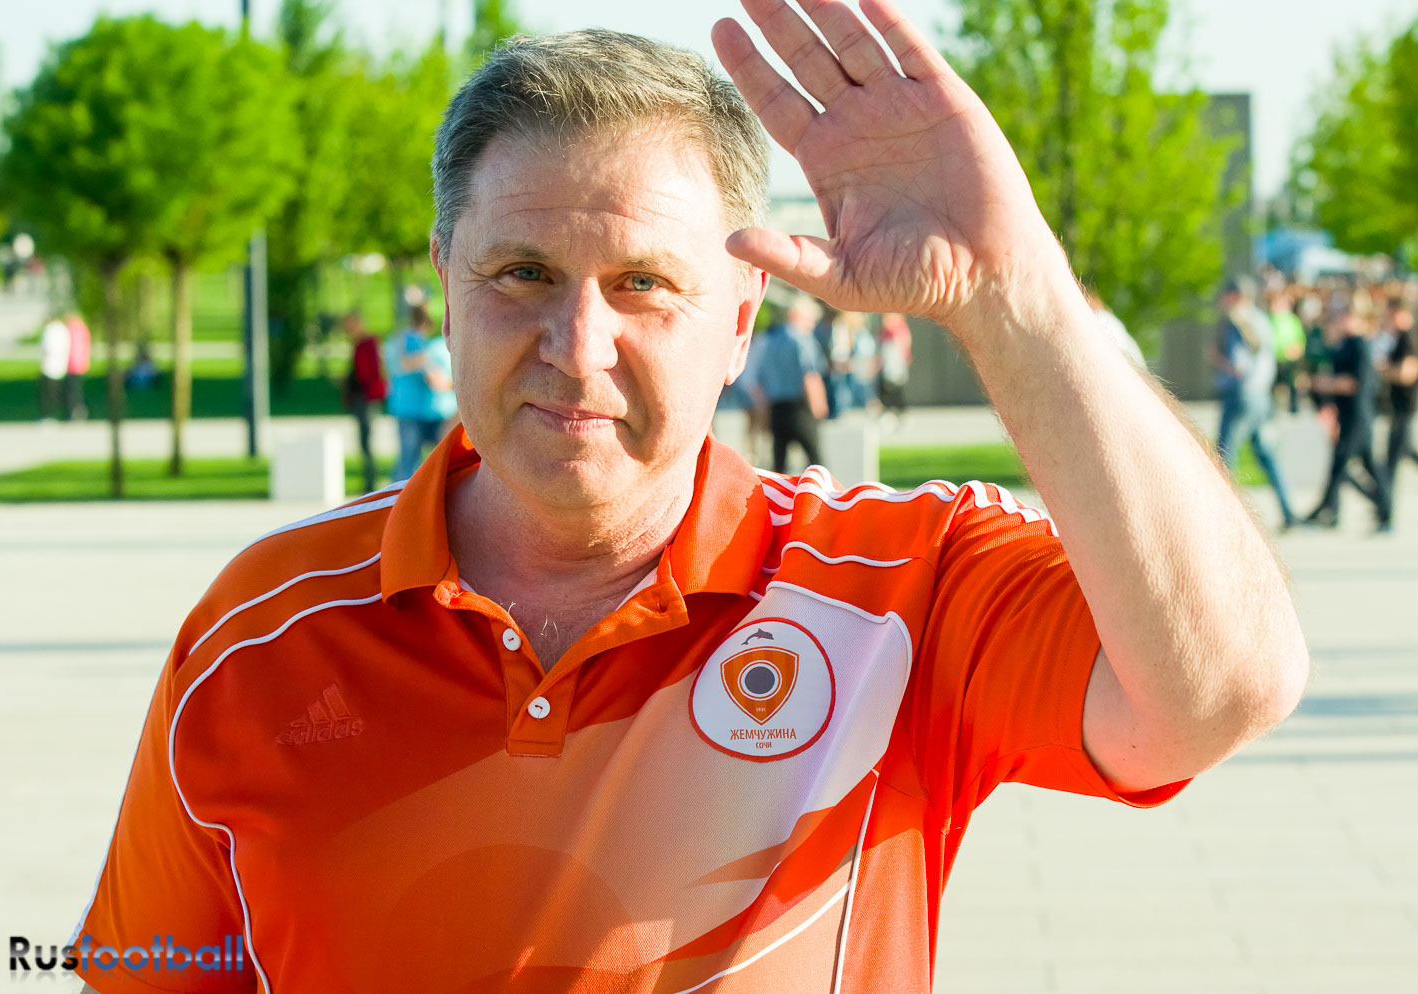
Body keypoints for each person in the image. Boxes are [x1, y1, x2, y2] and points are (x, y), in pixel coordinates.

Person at [70, 7, 1306, 993]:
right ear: (445, 281)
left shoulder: (897, 589)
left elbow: (1222, 686)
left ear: (742, 320)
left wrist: (1015, 292)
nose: (577, 344)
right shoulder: (259, 629)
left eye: (644, 283)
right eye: (522, 272)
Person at [1211, 278, 1297, 529]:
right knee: (1265, 456)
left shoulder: (1239, 322)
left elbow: (1240, 365)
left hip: (1242, 395)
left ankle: (1223, 519)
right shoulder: (1261, 319)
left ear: (1235, 296)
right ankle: (1288, 512)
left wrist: (1216, 358)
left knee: (1224, 458)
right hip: (1260, 395)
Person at [1304, 290, 1392, 531]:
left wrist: (1325, 383)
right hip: (1347, 414)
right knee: (1366, 464)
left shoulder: (1360, 345)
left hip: (1359, 415)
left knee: (1342, 464)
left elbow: (1356, 383)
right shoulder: (1344, 344)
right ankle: (1382, 509)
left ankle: (1327, 509)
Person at [750, 294, 827, 472]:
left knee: (779, 464)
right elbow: (810, 376)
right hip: (800, 406)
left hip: (777, 407)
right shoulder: (803, 339)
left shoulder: (771, 340)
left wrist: (764, 410)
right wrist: (818, 406)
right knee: (816, 460)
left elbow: (760, 379)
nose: (812, 324)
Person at [384, 302, 457, 481]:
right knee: (414, 458)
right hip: (417, 409)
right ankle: (405, 493)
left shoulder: (398, 339)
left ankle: (403, 492)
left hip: (410, 407)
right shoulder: (414, 340)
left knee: (410, 458)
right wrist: (432, 368)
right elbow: (423, 372)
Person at [340, 310, 387, 493]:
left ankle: (371, 481)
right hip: (362, 398)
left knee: (366, 441)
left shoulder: (367, 344)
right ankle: (369, 480)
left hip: (367, 398)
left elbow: (370, 373)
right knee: (363, 442)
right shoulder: (361, 345)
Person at [1378, 298, 1417, 502]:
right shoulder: (1400, 337)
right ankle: (1384, 507)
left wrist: (1381, 370)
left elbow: (1407, 373)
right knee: (1404, 452)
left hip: (1405, 405)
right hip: (1399, 406)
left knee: (1391, 461)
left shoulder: (1409, 336)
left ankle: (1385, 509)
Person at [1268, 287, 1306, 413]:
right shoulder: (1269, 319)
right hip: (1273, 358)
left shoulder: (1293, 320)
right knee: (1272, 384)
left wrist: (1296, 351)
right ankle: (1271, 408)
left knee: (1291, 382)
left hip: (1289, 358)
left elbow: (1300, 339)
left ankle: (1293, 406)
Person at [37, 314, 70, 421]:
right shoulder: (63, 329)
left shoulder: (50, 330)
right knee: (57, 391)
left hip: (49, 365)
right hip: (60, 364)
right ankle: (58, 413)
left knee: (49, 393)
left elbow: (46, 347)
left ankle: (49, 414)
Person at [64, 312, 91, 420]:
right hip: (80, 365)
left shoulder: (72, 330)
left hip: (73, 365)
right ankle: (78, 409)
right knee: (77, 389)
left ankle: (75, 410)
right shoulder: (83, 330)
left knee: (72, 390)